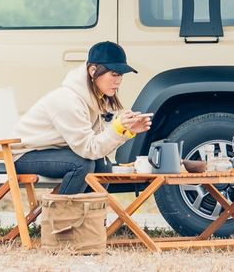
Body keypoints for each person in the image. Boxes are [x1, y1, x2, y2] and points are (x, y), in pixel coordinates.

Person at [12, 41, 152, 194]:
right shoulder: (68, 101)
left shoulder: (100, 99)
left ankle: (91, 217)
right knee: (81, 164)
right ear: (93, 71)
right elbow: (89, 149)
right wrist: (117, 129)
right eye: (114, 74)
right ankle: (62, 216)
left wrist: (125, 131)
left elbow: (99, 149)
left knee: (102, 165)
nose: (118, 81)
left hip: (56, 151)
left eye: (121, 75)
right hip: (25, 154)